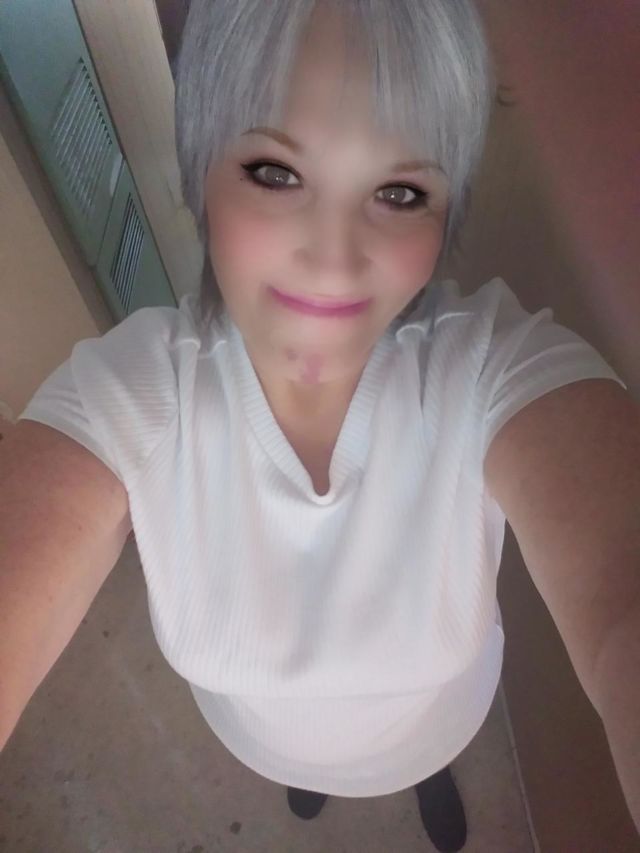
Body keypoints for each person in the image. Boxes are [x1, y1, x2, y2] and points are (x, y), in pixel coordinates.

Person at [3, 1, 638, 850]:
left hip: (439, 723)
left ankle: (425, 775)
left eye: (400, 192)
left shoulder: (484, 369)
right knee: (297, 760)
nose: (334, 257)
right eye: (275, 172)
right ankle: (304, 772)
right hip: (254, 733)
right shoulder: (137, 392)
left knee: (425, 754)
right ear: (200, 172)